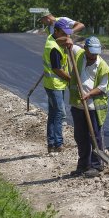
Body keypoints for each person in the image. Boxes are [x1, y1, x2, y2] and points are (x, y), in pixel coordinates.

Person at [64, 36, 109, 178]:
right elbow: (69, 43)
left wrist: (89, 94)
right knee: (80, 136)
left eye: (96, 53)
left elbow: (102, 87)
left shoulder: (102, 66)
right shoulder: (79, 55)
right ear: (85, 49)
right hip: (77, 106)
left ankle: (96, 165)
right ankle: (83, 164)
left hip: (93, 108)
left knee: (95, 137)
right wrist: (68, 40)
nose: (94, 56)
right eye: (91, 52)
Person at [42, 18, 76, 153]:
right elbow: (57, 69)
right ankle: (58, 143)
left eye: (68, 33)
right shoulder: (53, 48)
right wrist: (71, 80)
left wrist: (66, 41)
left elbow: (61, 40)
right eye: (64, 33)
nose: (66, 36)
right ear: (56, 31)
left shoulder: (53, 40)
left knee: (53, 113)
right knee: (60, 113)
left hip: (55, 84)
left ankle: (51, 144)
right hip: (54, 84)